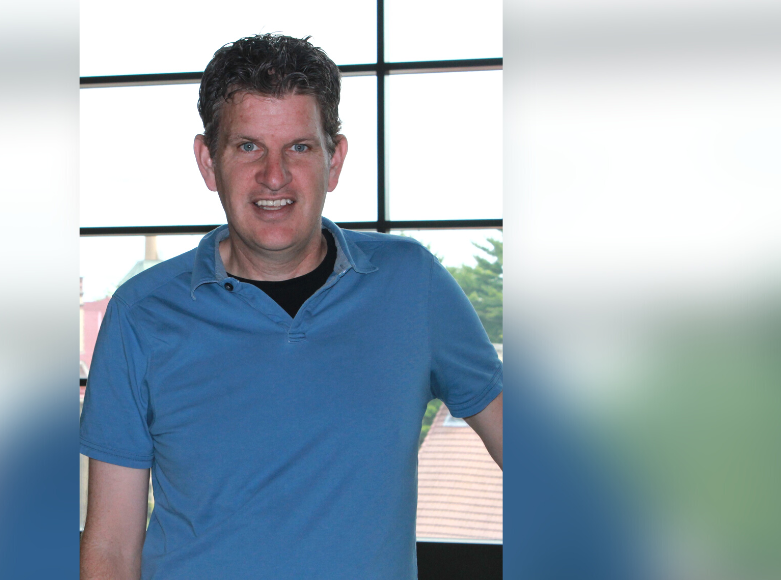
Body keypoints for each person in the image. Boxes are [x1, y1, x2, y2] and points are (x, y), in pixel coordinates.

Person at [79, 34, 503, 580]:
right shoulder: (141, 313)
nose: (274, 177)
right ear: (209, 162)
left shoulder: (411, 284)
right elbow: (111, 548)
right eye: (248, 146)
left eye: (299, 147)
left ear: (335, 159)